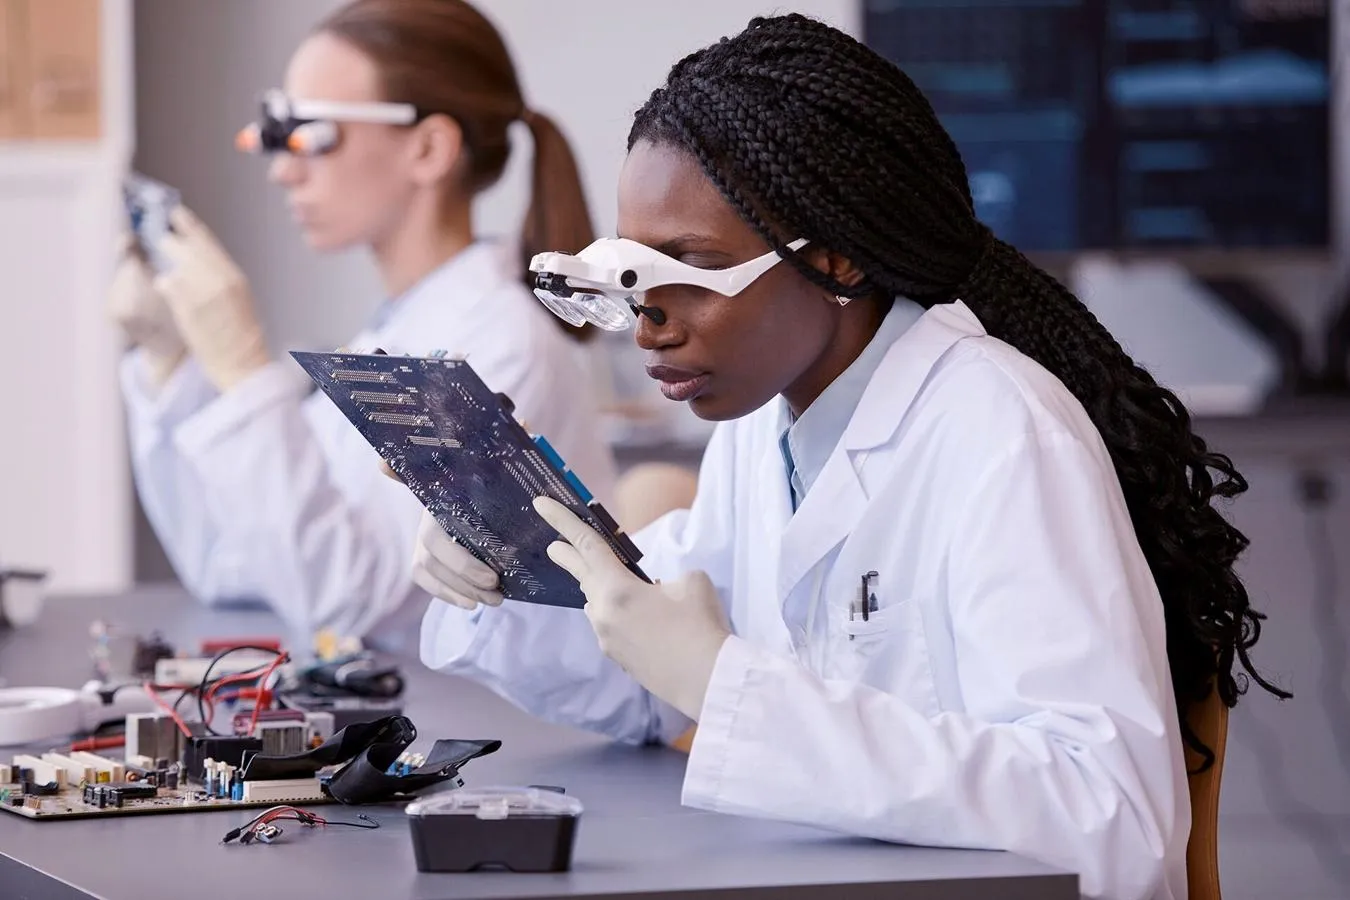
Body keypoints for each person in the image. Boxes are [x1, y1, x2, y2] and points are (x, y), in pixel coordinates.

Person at [409, 14, 1288, 900]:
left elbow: (1115, 821)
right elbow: (650, 681)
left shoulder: (1003, 432)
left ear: (834, 260)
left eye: (692, 269)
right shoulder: (762, 426)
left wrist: (728, 688)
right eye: (635, 273)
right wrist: (510, 564)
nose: (649, 321)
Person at [109, 0, 616, 653]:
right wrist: (172, 363)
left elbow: (350, 600)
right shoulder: (400, 327)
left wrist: (243, 374)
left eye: (311, 134)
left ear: (429, 148)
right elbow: (228, 565)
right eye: (277, 134)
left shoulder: (499, 343)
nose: (282, 168)